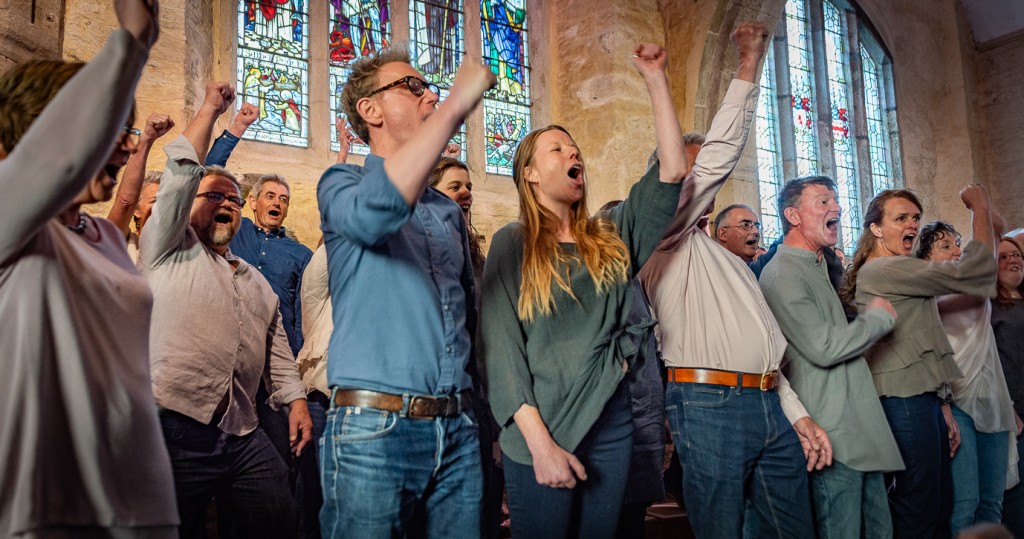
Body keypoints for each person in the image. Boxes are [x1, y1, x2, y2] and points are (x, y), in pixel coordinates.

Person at [481, 39, 688, 539]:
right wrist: (541, 446)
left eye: (574, 146)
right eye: (556, 147)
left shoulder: (612, 238)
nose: (573, 151)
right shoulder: (514, 243)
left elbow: (672, 171)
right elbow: (502, 353)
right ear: (529, 174)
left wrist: (656, 79)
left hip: (611, 428)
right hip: (539, 430)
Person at [638, 23, 830, 538]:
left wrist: (797, 414)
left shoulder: (728, 259)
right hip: (709, 406)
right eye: (690, 174)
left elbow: (764, 349)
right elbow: (721, 151)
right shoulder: (662, 238)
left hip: (768, 400)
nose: (705, 180)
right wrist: (748, 62)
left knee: (794, 531)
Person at [0, 1, 177, 537]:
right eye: (110, 128)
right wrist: (134, 39)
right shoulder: (11, 222)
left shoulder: (102, 236)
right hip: (49, 505)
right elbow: (60, 160)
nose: (125, 144)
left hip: (142, 499)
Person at [316, 47, 496, 536]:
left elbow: (469, 319)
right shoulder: (341, 183)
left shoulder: (447, 211)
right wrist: (457, 105)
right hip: (375, 428)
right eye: (412, 87)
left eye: (431, 88)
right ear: (369, 110)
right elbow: (375, 215)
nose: (429, 95)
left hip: (457, 428)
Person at [139, 81, 312, 539]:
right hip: (172, 425)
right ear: (187, 207)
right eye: (213, 196)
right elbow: (180, 172)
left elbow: (277, 348)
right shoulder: (169, 248)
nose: (226, 205)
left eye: (234, 201)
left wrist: (295, 400)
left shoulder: (256, 282)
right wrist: (212, 111)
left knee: (278, 517)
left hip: (242, 431)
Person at [838, 185, 998, 538]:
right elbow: (977, 274)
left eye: (914, 217)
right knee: (919, 508)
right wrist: (980, 210)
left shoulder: (899, 268)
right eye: (900, 218)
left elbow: (916, 341)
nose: (911, 224)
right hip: (902, 401)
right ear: (876, 229)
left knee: (937, 504)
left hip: (920, 399)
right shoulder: (883, 270)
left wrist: (940, 405)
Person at [759, 176, 902, 538]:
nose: (835, 208)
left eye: (835, 201)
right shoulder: (783, 272)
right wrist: (877, 318)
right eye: (823, 202)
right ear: (793, 215)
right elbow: (824, 348)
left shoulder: (817, 265)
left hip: (857, 425)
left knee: (880, 531)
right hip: (830, 431)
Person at [913, 220, 1018, 535]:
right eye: (946, 247)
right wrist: (979, 208)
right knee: (965, 502)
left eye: (957, 244)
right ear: (925, 260)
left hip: (992, 399)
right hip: (955, 402)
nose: (957, 251)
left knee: (992, 502)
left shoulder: (976, 286)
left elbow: (998, 228)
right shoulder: (928, 294)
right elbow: (975, 288)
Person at [107, 111, 174, 261]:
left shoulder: (182, 248)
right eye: (155, 200)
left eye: (168, 201)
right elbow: (125, 202)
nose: (163, 206)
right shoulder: (124, 244)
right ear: (136, 210)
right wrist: (147, 139)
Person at [992, 236, 1024, 537]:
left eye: (1016, 255)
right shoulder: (991, 308)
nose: (1013, 260)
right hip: (1015, 413)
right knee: (1017, 499)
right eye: (1002, 257)